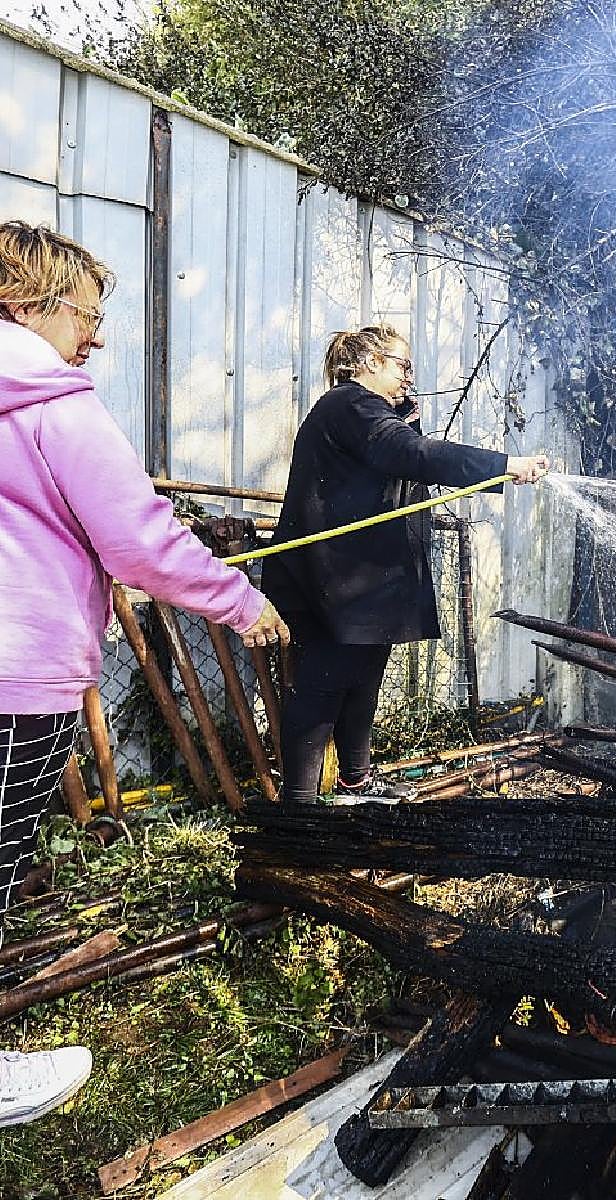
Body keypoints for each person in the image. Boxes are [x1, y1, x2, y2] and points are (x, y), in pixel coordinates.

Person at [0, 220, 290, 1126]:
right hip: (16, 675)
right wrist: (240, 600)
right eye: (85, 313)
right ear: (29, 305)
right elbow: (139, 540)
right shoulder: (52, 404)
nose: (96, 336)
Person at [262, 324, 549, 806]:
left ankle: (357, 783)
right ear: (368, 362)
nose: (408, 377)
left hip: (361, 581)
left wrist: (408, 420)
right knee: (322, 688)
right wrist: (503, 464)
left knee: (362, 681)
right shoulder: (347, 404)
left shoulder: (368, 414)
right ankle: (299, 808)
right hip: (328, 578)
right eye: (402, 366)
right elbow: (410, 455)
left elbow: (398, 462)